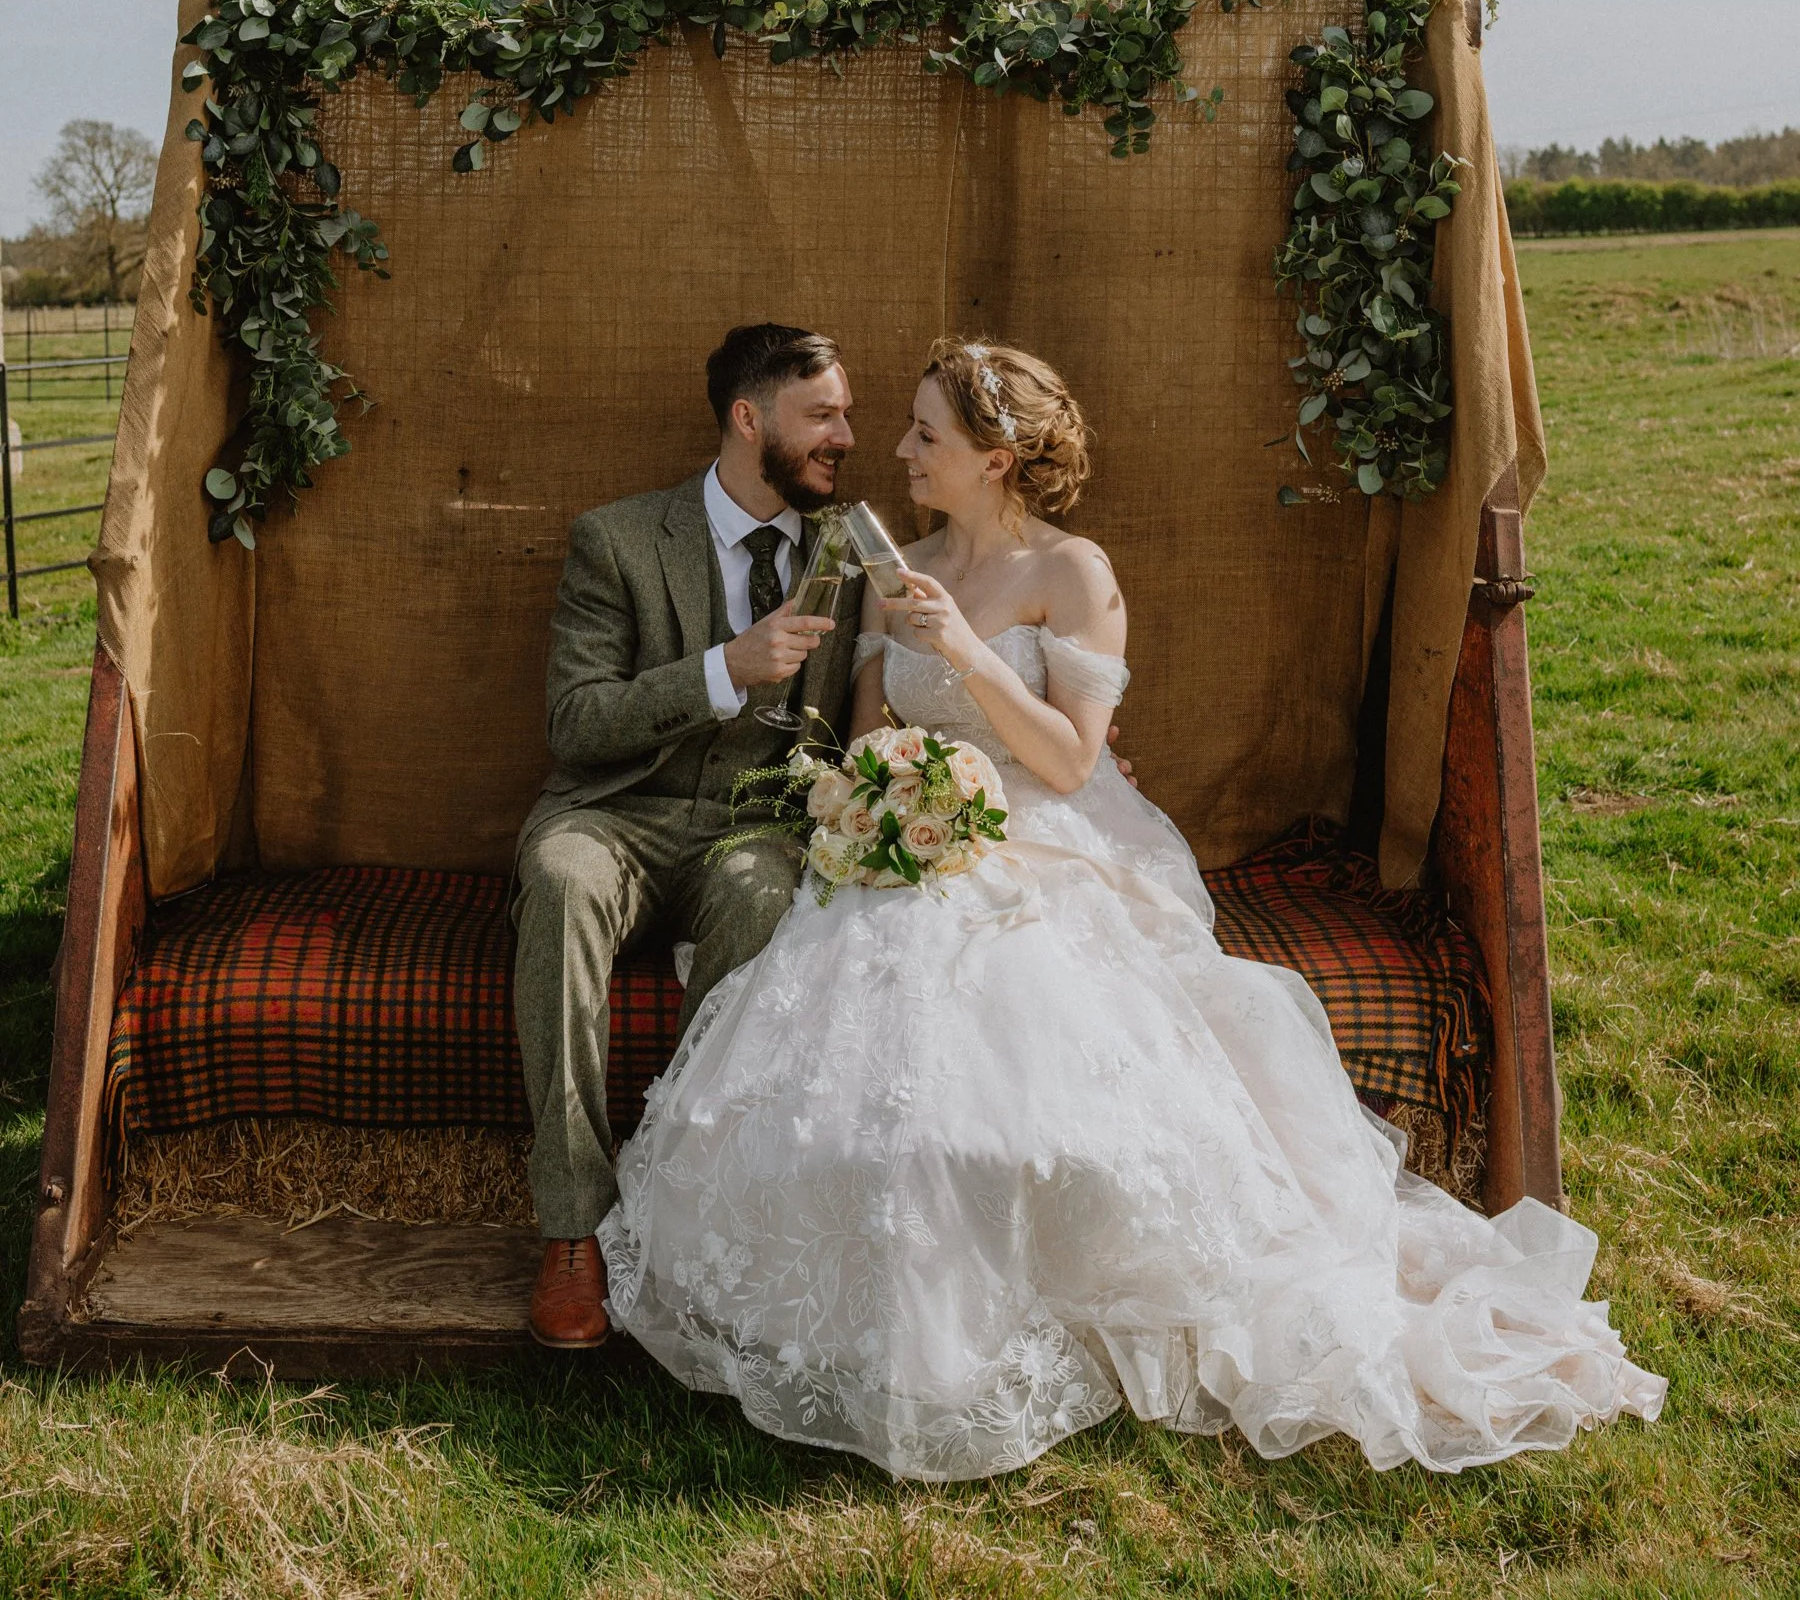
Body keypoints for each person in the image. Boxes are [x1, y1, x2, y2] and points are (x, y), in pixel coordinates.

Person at [599, 337, 1666, 1479]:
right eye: (906, 427)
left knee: (1016, 1038)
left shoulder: (1075, 572)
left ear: (997, 458)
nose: (899, 449)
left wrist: (965, 648)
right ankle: (873, 1328)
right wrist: (885, 795)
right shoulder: (888, 564)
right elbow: (869, 731)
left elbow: (1068, 761)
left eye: (925, 433)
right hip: (908, 840)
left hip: (1038, 841)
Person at [513, 322, 859, 1348]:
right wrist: (725, 668)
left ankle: (687, 1203)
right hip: (613, 814)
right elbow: (574, 721)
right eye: (823, 414)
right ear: (750, 420)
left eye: (847, 410)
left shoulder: (849, 546)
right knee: (561, 882)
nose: (846, 432)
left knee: (762, 893)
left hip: (756, 828)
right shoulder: (616, 539)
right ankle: (572, 1227)